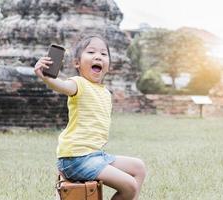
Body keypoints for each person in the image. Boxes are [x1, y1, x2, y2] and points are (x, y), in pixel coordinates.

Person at [34, 34, 146, 200]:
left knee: (139, 168)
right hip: (77, 158)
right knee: (129, 185)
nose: (98, 56)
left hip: (95, 155)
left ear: (108, 66)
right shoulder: (79, 83)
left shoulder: (106, 93)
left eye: (103, 54)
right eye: (91, 52)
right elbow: (63, 86)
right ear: (77, 63)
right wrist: (47, 78)